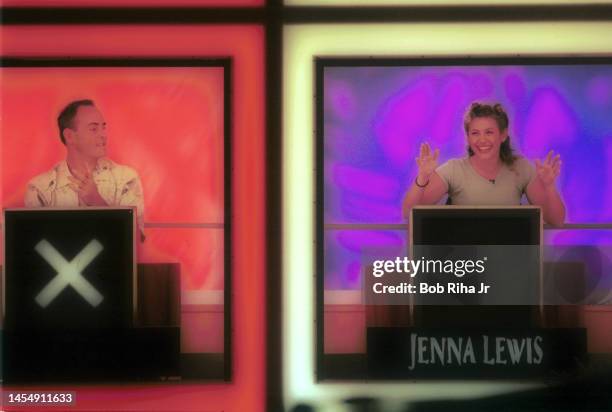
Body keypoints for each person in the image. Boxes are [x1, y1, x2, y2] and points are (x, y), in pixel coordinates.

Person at [402, 102, 565, 226]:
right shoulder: (453, 170)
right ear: (467, 137)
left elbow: (556, 221)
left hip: (509, 261)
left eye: (489, 132)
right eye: (475, 133)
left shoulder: (521, 168)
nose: (482, 140)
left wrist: (549, 186)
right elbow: (408, 213)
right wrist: (422, 178)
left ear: (503, 135)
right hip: (464, 263)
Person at [25, 99, 145, 238]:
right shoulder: (39, 188)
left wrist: (99, 203)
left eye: (103, 127)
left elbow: (136, 240)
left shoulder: (126, 178)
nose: (103, 135)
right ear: (69, 136)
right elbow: (34, 244)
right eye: (93, 129)